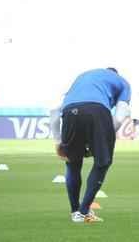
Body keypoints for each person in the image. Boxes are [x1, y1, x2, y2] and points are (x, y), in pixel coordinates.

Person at [56, 68, 132, 224]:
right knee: (102, 163)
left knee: (73, 162)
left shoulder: (83, 76)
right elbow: (119, 117)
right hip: (97, 110)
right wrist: (105, 137)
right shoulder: (123, 83)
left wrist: (58, 141)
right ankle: (84, 211)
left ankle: (75, 212)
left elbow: (55, 110)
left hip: (69, 111)